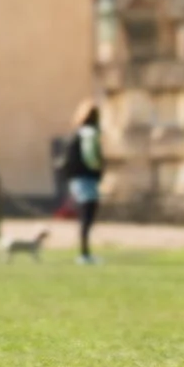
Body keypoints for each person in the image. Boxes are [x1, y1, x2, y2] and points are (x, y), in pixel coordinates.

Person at [63, 100, 105, 265]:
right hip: (85, 178)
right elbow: (91, 156)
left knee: (85, 215)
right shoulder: (90, 133)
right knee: (87, 214)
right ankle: (84, 254)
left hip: (76, 178)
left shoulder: (79, 132)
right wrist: (98, 168)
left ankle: (85, 252)